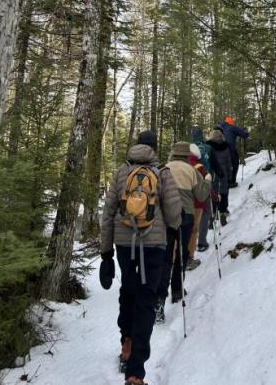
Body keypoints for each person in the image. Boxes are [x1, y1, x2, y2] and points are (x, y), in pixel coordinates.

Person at [100, 131, 181, 385]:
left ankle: (126, 343)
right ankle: (135, 372)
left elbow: (108, 212)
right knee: (146, 299)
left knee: (128, 291)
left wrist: (106, 253)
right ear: (155, 148)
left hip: (124, 243)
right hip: (152, 244)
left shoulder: (121, 172)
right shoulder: (162, 173)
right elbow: (173, 213)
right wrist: (175, 229)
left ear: (136, 146)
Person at [155, 141, 211, 320]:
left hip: (166, 217)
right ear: (187, 154)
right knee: (182, 253)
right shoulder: (191, 170)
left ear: (173, 153)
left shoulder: (164, 169)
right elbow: (201, 195)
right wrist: (208, 181)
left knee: (166, 257)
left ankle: (159, 301)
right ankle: (178, 290)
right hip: (185, 215)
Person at [186, 144, 209, 270]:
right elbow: (204, 188)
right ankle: (190, 257)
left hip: (181, 203)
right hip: (197, 204)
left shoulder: (180, 165)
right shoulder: (200, 167)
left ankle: (175, 259)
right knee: (193, 230)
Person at [191, 126, 213, 253]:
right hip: (205, 179)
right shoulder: (207, 147)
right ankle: (202, 242)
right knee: (205, 212)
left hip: (189, 187)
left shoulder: (189, 149)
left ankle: (187, 249)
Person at [207, 128, 233, 226]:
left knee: (213, 194)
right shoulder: (225, 147)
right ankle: (223, 212)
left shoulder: (208, 147)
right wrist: (230, 177)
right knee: (224, 194)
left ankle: (213, 215)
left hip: (212, 175)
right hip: (223, 175)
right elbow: (228, 163)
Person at [218, 116, 249, 187]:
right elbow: (244, 135)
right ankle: (231, 182)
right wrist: (245, 131)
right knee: (234, 164)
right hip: (230, 150)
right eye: (232, 122)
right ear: (231, 122)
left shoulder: (220, 128)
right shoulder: (233, 128)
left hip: (220, 151)